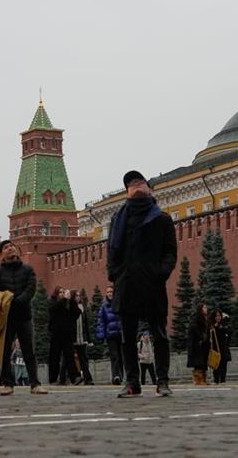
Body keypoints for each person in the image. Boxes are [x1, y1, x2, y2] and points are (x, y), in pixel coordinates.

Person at [107, 170, 177, 398]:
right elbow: (111, 252)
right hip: (126, 284)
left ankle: (162, 381)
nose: (135, 185)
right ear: (126, 192)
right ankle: (132, 383)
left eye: (139, 181)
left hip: (152, 284)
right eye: (130, 183)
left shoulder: (161, 218)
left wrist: (160, 273)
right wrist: (115, 275)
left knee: (159, 335)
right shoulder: (118, 220)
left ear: (148, 187)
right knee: (127, 337)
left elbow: (170, 252)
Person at [0, 239, 47, 395]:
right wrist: (7, 301)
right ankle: (8, 384)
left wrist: (18, 300)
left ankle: (35, 384)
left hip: (24, 315)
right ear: (1, 254)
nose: (10, 248)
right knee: (6, 351)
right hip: (5, 319)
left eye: (12, 246)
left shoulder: (27, 269)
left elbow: (31, 288)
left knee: (29, 351)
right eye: (6, 247)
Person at [48, 286, 83, 385]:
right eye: (60, 292)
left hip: (67, 334)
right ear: (56, 294)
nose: (62, 294)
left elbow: (76, 314)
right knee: (55, 357)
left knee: (70, 356)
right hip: (56, 334)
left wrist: (71, 300)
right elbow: (53, 309)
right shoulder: (53, 302)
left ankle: (75, 378)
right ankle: (53, 379)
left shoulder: (67, 304)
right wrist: (64, 299)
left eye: (64, 292)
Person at [96, 286, 124, 385]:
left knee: (121, 356)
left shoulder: (119, 303)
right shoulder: (104, 306)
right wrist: (101, 334)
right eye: (108, 292)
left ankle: (121, 376)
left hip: (120, 334)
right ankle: (115, 376)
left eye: (111, 291)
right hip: (110, 335)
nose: (110, 293)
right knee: (114, 356)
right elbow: (101, 321)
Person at [72, 290, 94, 385]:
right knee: (70, 360)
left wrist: (88, 339)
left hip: (82, 339)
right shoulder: (69, 307)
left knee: (84, 360)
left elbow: (86, 324)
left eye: (79, 295)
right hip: (73, 339)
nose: (78, 297)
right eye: (76, 295)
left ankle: (88, 379)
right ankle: (73, 378)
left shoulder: (82, 308)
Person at [187, 303, 210, 385]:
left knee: (203, 362)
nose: (206, 309)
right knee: (198, 363)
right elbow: (194, 329)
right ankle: (198, 380)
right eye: (204, 307)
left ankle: (203, 379)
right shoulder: (196, 319)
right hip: (197, 345)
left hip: (204, 345)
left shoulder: (205, 319)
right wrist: (201, 337)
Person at [212, 309, 232, 384]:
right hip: (215, 348)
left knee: (223, 364)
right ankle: (216, 380)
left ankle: (223, 380)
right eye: (216, 316)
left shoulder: (224, 325)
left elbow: (229, 334)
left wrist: (222, 328)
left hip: (223, 348)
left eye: (219, 316)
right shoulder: (212, 326)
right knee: (216, 365)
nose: (218, 317)